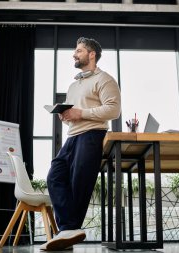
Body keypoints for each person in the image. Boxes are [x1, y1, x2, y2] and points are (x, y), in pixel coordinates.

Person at [41, 37, 121, 251]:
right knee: (55, 176)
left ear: (91, 54)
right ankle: (69, 230)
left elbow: (113, 111)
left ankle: (67, 230)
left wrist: (80, 112)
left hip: (92, 135)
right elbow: (75, 112)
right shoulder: (73, 85)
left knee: (80, 182)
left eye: (78, 51)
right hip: (72, 136)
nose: (74, 54)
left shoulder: (105, 79)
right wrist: (66, 115)